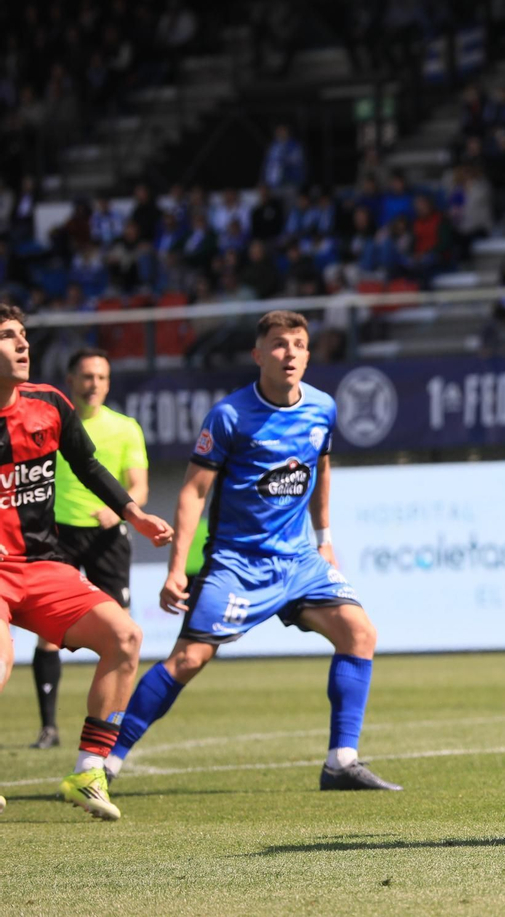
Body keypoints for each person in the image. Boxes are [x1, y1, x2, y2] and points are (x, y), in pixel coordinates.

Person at [105, 312, 401, 792]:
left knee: (359, 632)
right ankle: (108, 760)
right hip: (237, 563)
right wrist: (176, 569)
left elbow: (320, 469)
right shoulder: (229, 416)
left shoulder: (322, 407)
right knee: (188, 660)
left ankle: (340, 762)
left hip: (299, 560)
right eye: (280, 345)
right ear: (258, 355)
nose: (290, 354)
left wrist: (323, 536)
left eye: (299, 345)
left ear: (308, 353)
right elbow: (192, 493)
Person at [0, 306, 173, 820]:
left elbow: (88, 464)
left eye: (25, 336)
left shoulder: (49, 403)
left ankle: (88, 770)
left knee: (126, 637)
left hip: (42, 565)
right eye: (8, 337)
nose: (23, 344)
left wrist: (134, 514)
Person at [29, 348, 149, 751]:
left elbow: (139, 486)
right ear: (70, 381)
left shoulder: (125, 428)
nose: (93, 383)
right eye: (86, 376)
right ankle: (49, 727)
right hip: (56, 536)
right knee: (48, 637)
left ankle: (112, 730)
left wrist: (120, 512)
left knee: (124, 635)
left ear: (108, 383)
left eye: (100, 377)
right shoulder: (50, 423)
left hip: (106, 538)